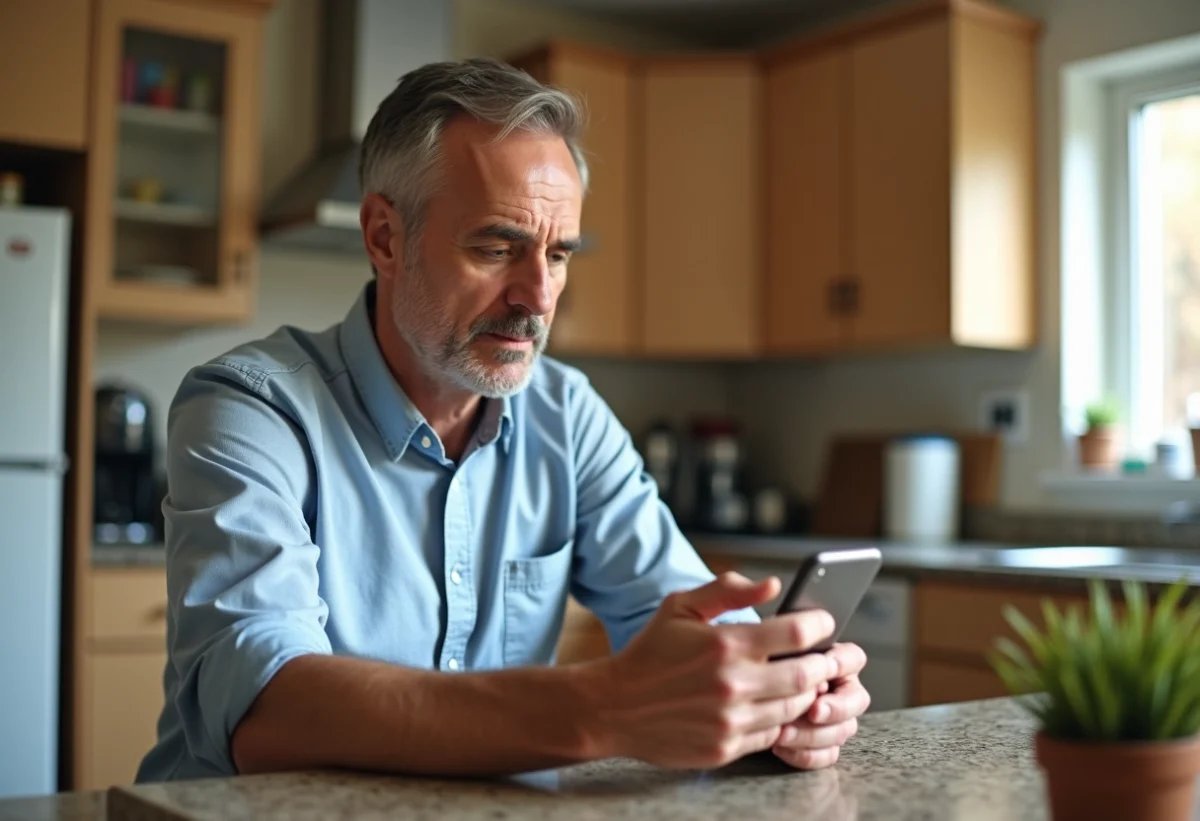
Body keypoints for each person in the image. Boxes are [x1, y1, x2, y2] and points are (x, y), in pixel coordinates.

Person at [136, 58, 870, 783]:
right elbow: (267, 712)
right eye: (497, 248)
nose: (539, 295)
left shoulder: (566, 413)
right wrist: (603, 707)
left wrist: (776, 690)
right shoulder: (250, 408)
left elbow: (688, 623)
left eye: (559, 254)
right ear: (385, 238)